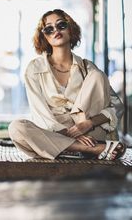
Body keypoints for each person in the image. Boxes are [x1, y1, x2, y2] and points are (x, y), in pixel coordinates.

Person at [9, 9, 126, 160]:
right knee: (16, 128)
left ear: (71, 28)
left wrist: (88, 124)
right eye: (49, 29)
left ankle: (67, 149)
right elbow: (40, 114)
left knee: (98, 75)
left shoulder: (88, 68)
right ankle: (85, 149)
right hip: (55, 133)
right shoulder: (34, 68)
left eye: (61, 25)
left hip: (90, 132)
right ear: (44, 36)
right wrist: (68, 135)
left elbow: (117, 106)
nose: (55, 31)